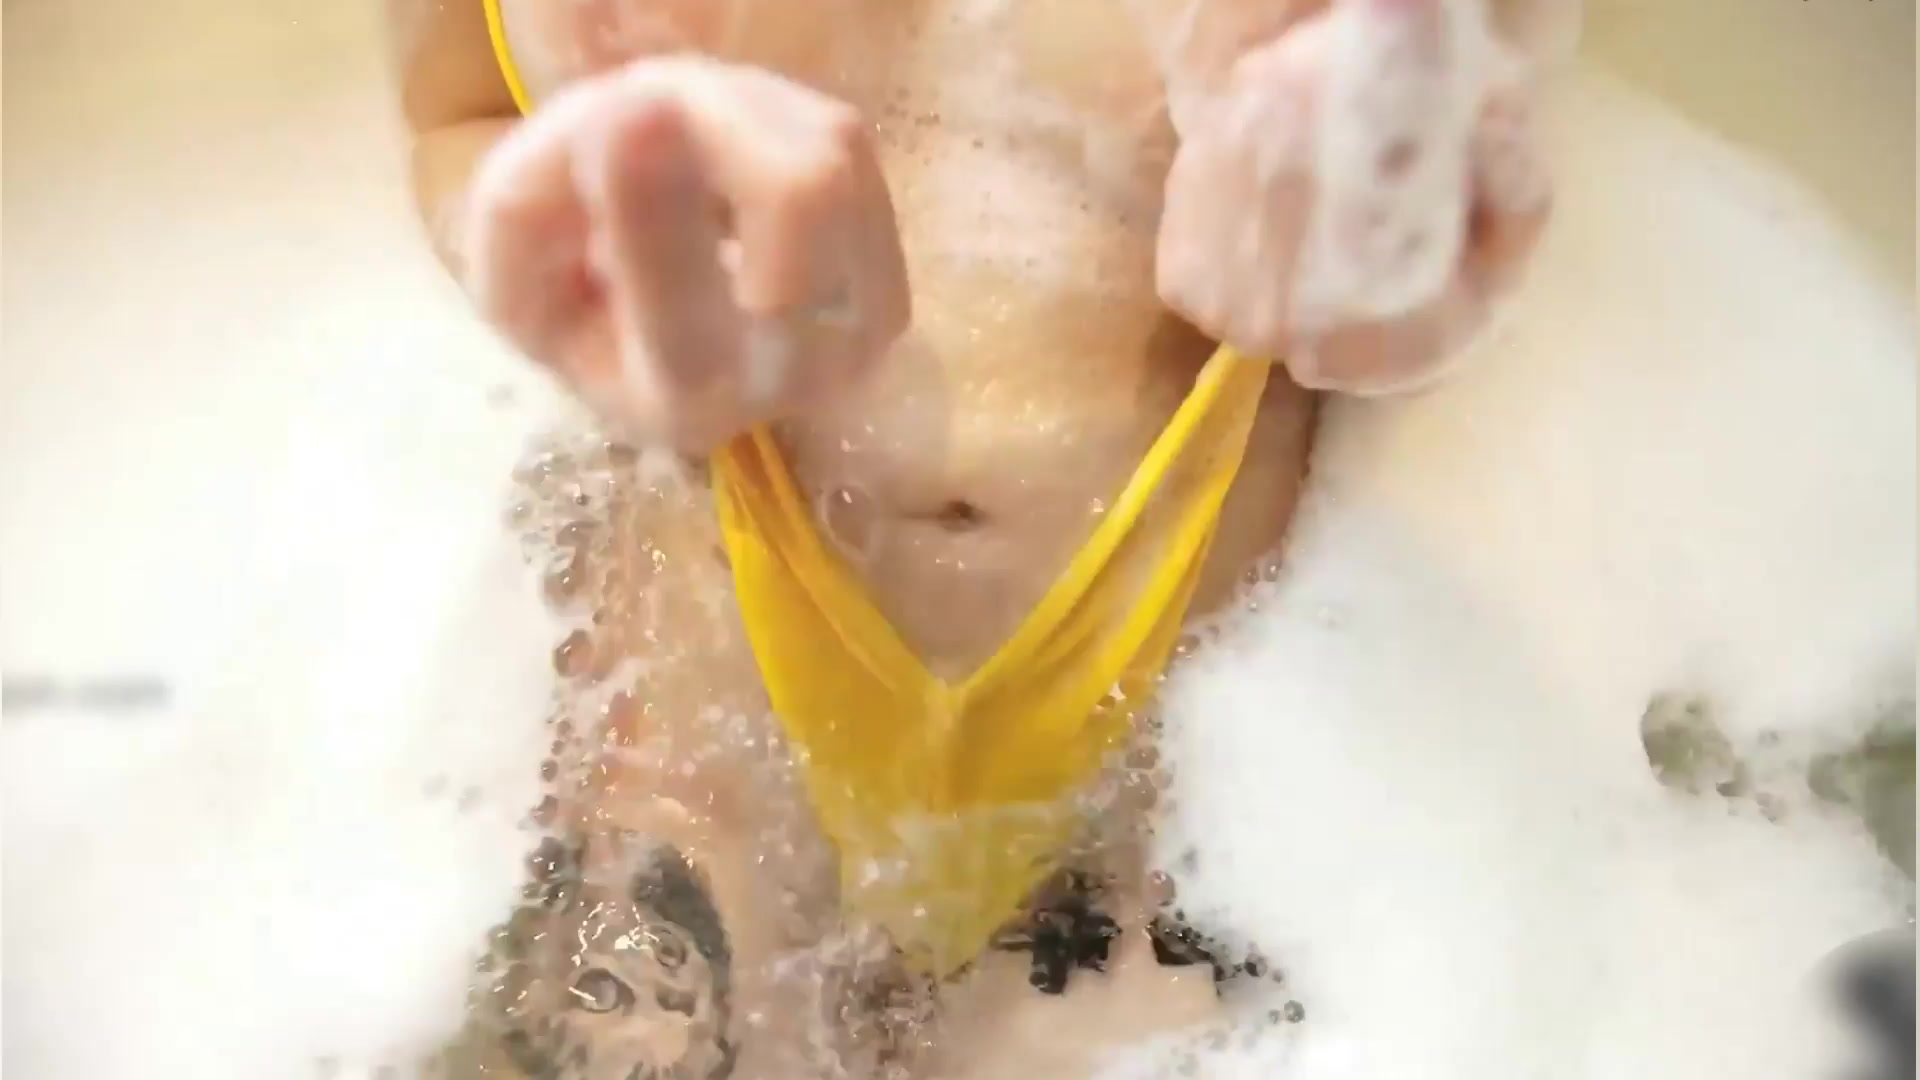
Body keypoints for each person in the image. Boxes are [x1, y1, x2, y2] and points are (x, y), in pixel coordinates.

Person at [390, 0, 1569, 1074]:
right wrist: (585, 257)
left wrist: (1394, 266)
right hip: (710, 608)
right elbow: (459, 118)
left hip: (1199, 687)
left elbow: (1469, 171)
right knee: (615, 1037)